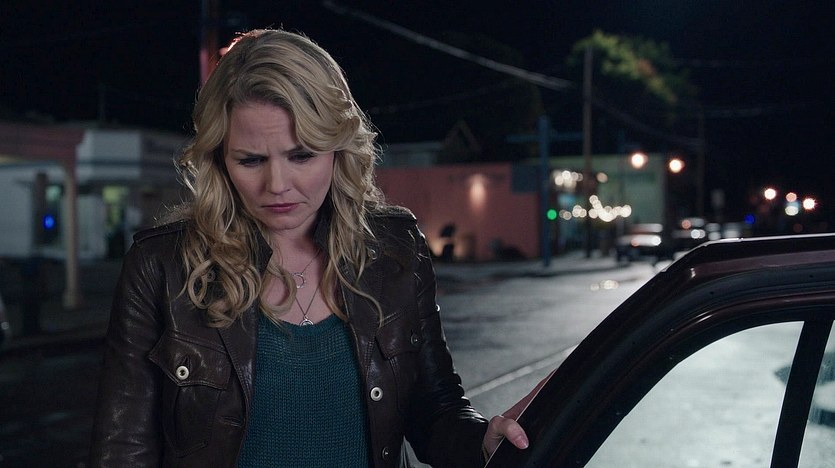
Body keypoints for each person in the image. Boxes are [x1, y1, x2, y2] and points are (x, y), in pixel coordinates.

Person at [90, 28, 534, 467]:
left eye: (301, 155)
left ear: (339, 149)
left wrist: (482, 442)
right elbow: (122, 451)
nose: (277, 185)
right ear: (219, 159)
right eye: (251, 160)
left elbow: (435, 409)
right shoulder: (161, 267)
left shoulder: (395, 250)